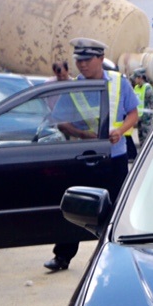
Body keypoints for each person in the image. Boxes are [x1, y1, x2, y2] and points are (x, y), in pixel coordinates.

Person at [44, 38, 140, 272]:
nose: (82, 64)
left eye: (87, 60)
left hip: (114, 157)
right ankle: (62, 256)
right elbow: (61, 122)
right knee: (77, 206)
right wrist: (82, 134)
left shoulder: (119, 82)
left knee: (118, 208)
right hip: (85, 157)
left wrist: (120, 131)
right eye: (79, 60)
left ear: (100, 59)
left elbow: (133, 114)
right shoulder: (74, 88)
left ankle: (119, 256)